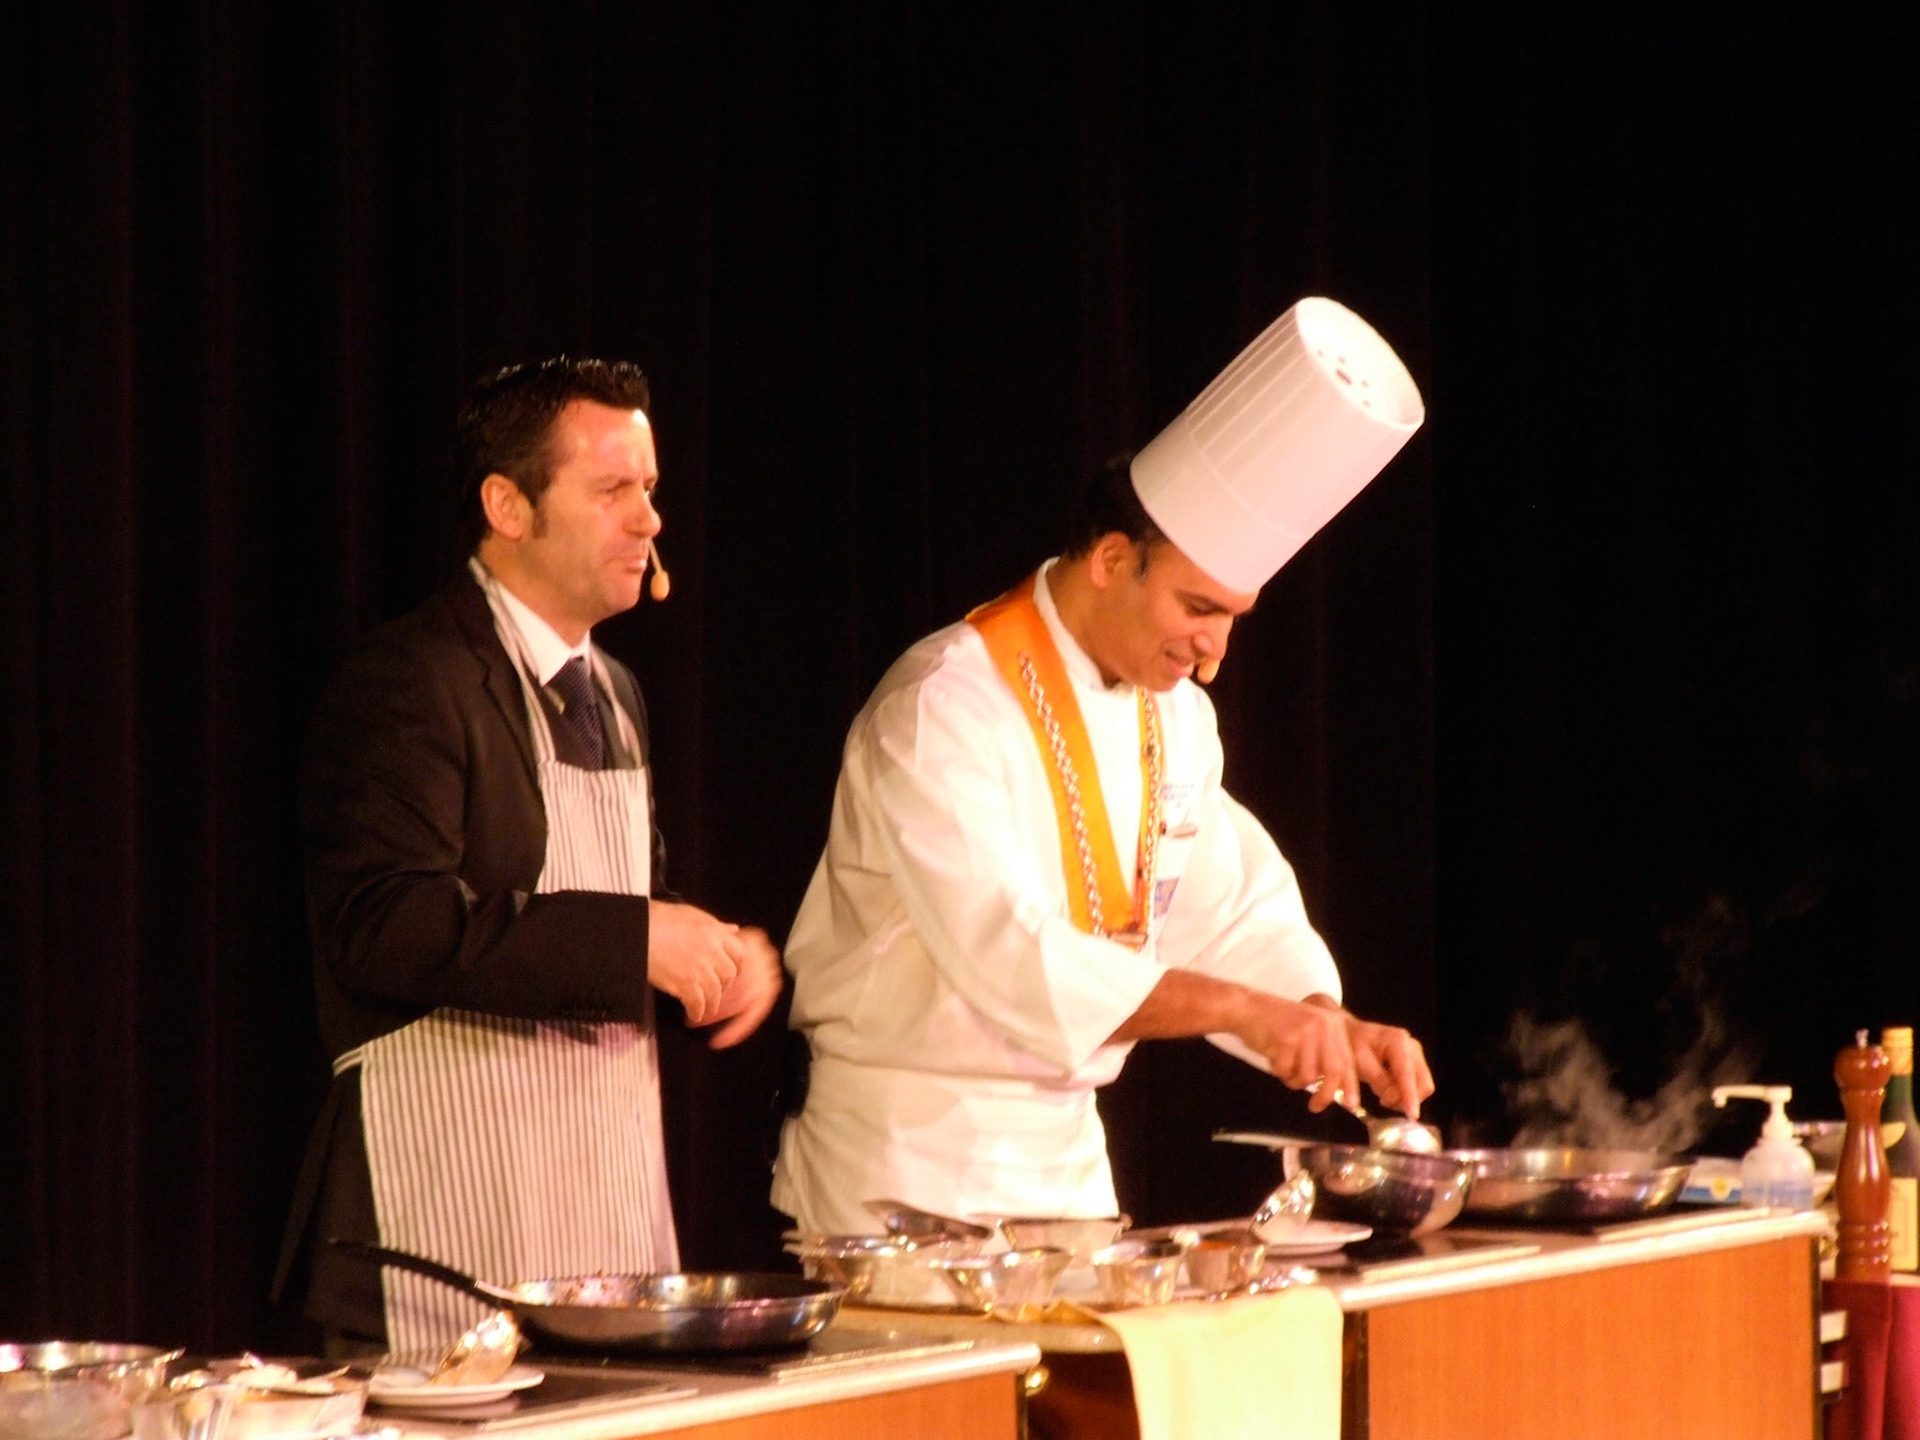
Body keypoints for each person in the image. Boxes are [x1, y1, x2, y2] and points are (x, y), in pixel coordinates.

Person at [773, 298, 1435, 1234]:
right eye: (1199, 609)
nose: (1214, 653)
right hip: (903, 1169)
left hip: (1068, 1174)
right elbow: (1009, 952)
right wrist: (1246, 1012)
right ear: (1112, 559)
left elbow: (1232, 907)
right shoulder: (945, 704)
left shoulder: (1178, 719)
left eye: (1234, 619)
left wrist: (1323, 1018)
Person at [274, 357, 784, 1352]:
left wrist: (709, 961)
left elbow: (611, 916)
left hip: (597, 1220)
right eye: (613, 490)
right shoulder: (410, 679)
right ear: (507, 506)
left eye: (650, 488)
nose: (650, 519)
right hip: (438, 1228)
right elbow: (382, 926)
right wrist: (638, 939)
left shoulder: (617, 694)